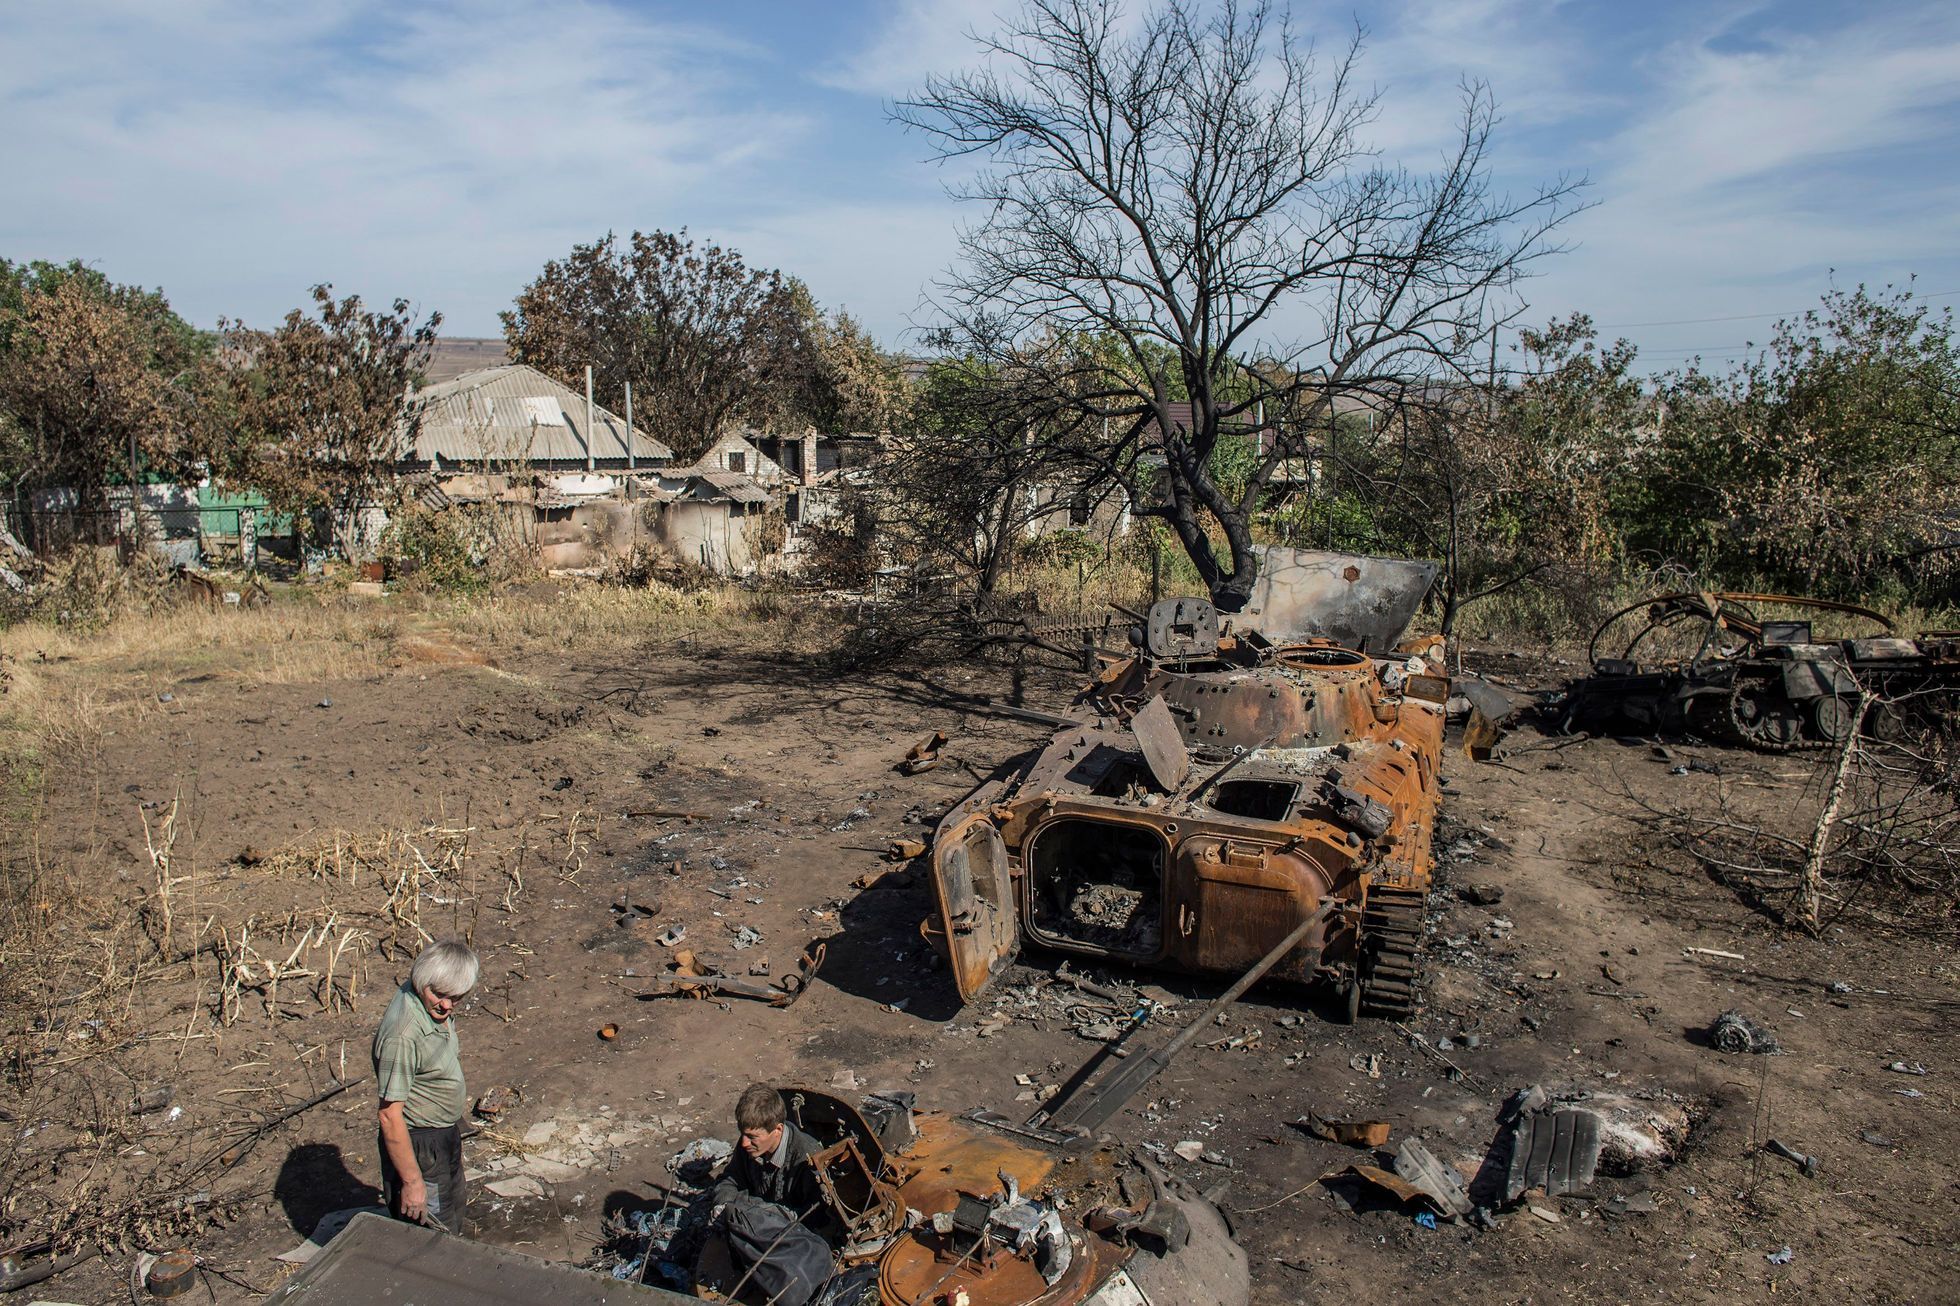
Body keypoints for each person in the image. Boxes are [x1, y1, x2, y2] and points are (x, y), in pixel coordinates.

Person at [373, 938, 478, 1233]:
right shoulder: (403, 1034)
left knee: (453, 1212)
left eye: (456, 997)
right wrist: (413, 1181)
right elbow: (389, 1115)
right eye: (440, 995)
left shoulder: (433, 1007)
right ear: (421, 981)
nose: (447, 1005)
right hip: (420, 1144)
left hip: (443, 1134)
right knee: (431, 1230)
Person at [714, 1083, 822, 1213]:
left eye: (752, 1136)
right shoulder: (749, 1145)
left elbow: (816, 1215)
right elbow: (729, 1180)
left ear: (778, 1130)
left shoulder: (806, 1160)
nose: (744, 1143)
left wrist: (762, 1214)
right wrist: (725, 1205)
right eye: (742, 1133)